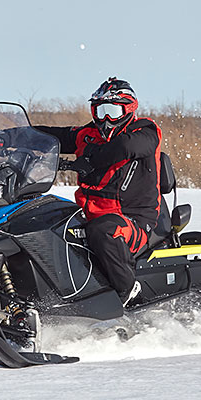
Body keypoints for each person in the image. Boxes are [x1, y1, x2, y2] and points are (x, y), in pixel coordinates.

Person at [34, 77, 162, 307]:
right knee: (44, 221)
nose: (105, 119)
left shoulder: (145, 131)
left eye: (112, 111)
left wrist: (89, 160)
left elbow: (125, 147)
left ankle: (128, 291)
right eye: (100, 111)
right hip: (89, 214)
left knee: (104, 231)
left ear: (128, 109)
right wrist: (12, 137)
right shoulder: (88, 134)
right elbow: (54, 136)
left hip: (133, 219)